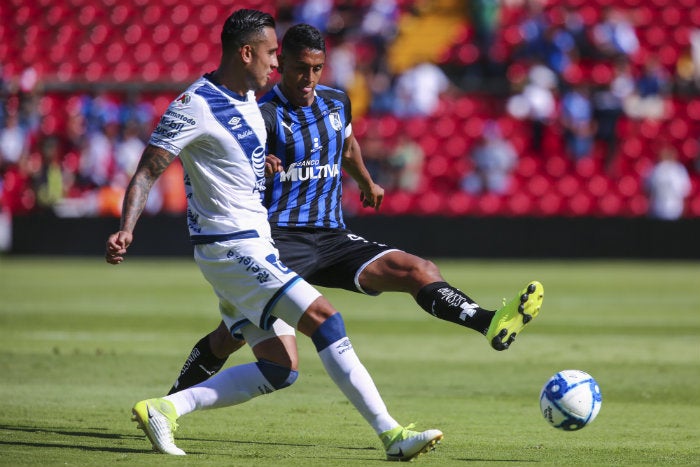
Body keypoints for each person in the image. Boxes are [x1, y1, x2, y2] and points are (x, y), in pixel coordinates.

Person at [105, 10, 443, 461]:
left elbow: (233, 161)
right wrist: (126, 230)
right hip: (231, 246)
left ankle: (165, 408)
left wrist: (261, 167)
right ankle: (392, 436)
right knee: (326, 319)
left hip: (252, 244)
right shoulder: (196, 104)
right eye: (270, 54)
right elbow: (148, 171)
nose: (274, 64)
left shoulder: (247, 99)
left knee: (280, 369)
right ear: (246, 52)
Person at [168, 23, 544, 402]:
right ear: (281, 64)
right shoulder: (260, 116)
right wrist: (260, 168)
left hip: (332, 237)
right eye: (300, 68)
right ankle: (171, 400)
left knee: (417, 269)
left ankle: (488, 322)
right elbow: (233, 169)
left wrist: (366, 182)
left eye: (317, 69)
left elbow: (348, 148)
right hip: (278, 242)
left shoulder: (337, 102)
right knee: (230, 336)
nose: (308, 78)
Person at [645, 144, 691, 220]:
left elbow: (684, 191)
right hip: (657, 208)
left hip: (675, 208)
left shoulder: (679, 169)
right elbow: (648, 189)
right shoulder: (655, 169)